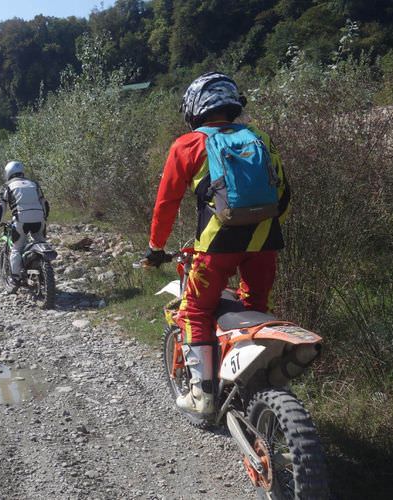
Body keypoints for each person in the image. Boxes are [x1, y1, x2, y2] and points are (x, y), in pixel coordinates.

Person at [144, 72, 291, 414]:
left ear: (195, 108)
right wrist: (262, 228)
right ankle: (254, 383)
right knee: (253, 307)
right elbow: (283, 192)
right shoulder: (259, 137)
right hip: (265, 243)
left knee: (194, 309)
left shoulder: (188, 144)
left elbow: (166, 204)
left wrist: (155, 247)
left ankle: (203, 394)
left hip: (215, 249)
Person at [0, 161, 50, 288]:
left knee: (16, 248)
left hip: (21, 220)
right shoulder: (34, 184)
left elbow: (0, 207)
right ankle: (41, 269)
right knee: (40, 242)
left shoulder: (7, 186)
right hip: (39, 220)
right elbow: (45, 203)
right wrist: (44, 217)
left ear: (8, 172)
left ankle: (15, 278)